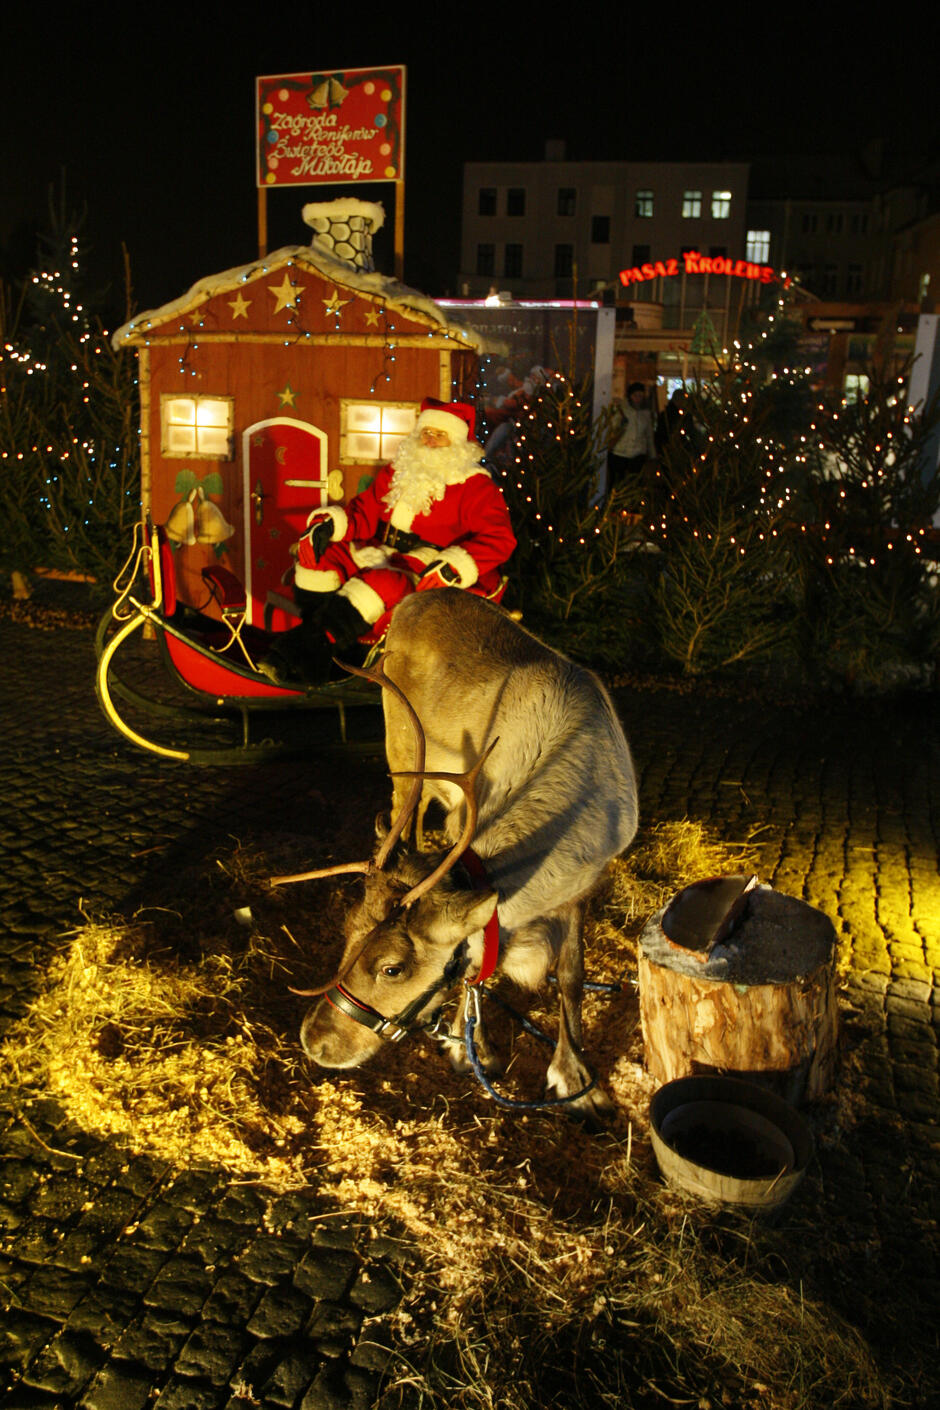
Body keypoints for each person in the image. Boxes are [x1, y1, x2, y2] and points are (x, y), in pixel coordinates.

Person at [258, 397, 517, 684]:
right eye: (426, 433)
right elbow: (364, 510)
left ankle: (297, 655)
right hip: (383, 549)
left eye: (439, 435)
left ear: (457, 443)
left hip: (428, 563)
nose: (429, 441)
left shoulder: (475, 487)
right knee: (320, 556)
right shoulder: (400, 472)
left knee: (382, 584)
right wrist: (327, 526)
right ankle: (324, 651)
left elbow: (499, 538)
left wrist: (453, 565)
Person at [608, 381, 655, 491]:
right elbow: (612, 429)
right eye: (636, 395)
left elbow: (649, 436)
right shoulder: (622, 411)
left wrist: (652, 455)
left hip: (638, 454)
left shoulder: (645, 414)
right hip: (620, 452)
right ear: (630, 396)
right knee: (617, 484)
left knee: (634, 485)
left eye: (641, 396)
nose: (638, 399)